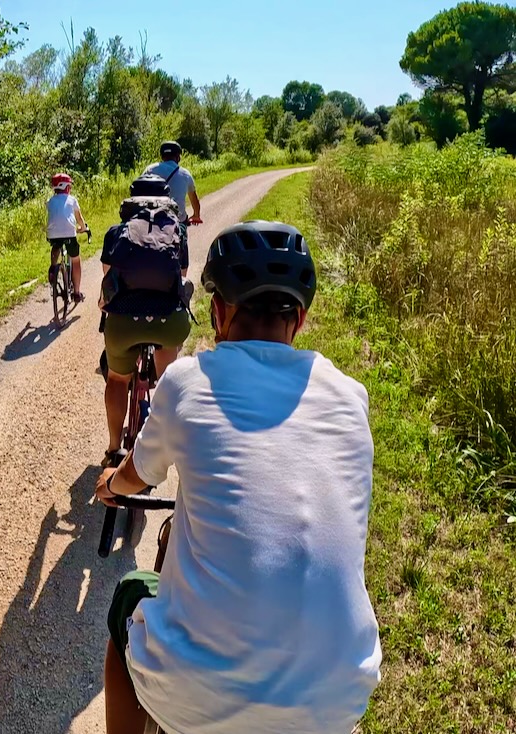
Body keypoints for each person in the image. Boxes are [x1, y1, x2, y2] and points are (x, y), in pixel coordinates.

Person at [95, 220, 382, 734]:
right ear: (301, 319)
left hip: (195, 698)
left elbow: (140, 473)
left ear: (218, 312)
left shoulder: (187, 380)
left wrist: (111, 486)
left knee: (128, 596)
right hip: (338, 699)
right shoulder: (350, 396)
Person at [99, 177, 192, 468]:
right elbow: (183, 275)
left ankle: (115, 449)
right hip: (168, 321)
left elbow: (108, 280)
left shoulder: (117, 232)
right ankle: (165, 446)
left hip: (124, 323)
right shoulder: (178, 231)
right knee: (168, 382)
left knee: (116, 379)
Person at [142, 141, 202, 249]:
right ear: (178, 157)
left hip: (152, 219)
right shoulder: (185, 174)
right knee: (182, 250)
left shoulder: (150, 169)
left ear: (162, 156)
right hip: (176, 222)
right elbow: (194, 200)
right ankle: (183, 265)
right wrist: (196, 215)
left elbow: (140, 190)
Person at [46, 172, 89, 303]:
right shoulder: (72, 200)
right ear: (66, 187)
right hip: (70, 233)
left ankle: (53, 267)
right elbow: (79, 219)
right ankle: (76, 292)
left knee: (56, 245)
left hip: (53, 234)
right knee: (75, 260)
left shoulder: (50, 201)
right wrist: (84, 227)